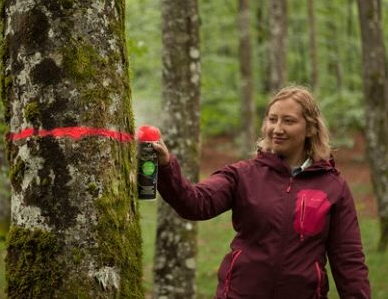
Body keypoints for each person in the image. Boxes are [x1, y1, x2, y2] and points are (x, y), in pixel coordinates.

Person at [153, 85, 371, 299]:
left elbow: (348, 261)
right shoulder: (243, 175)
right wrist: (165, 165)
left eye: (289, 121)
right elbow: (195, 203)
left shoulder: (333, 186)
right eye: (272, 119)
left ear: (310, 128)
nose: (277, 128)